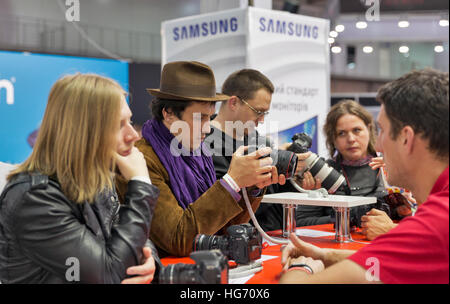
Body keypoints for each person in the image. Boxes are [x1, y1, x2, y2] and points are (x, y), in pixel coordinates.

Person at [280, 68, 449, 284]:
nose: (378, 145)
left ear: (406, 138)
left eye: (383, 131)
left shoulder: (438, 223)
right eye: (342, 133)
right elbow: (388, 261)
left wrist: (301, 266)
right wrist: (324, 255)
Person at [0, 74, 160, 284]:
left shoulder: (95, 180)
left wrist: (149, 259)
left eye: (129, 121)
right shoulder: (35, 199)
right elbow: (111, 276)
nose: (133, 135)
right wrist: (140, 182)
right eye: (119, 125)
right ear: (84, 132)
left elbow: (129, 233)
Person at [115, 61, 285, 257]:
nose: (207, 127)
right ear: (168, 113)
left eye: (209, 117)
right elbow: (177, 238)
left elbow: (221, 229)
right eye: (200, 118)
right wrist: (231, 182)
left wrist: (251, 186)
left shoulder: (199, 154)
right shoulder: (143, 160)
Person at [204, 68, 317, 231]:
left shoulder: (254, 138)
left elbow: (275, 196)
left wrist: (293, 178)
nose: (262, 120)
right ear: (234, 102)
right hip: (239, 239)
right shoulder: (207, 144)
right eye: (258, 111)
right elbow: (228, 206)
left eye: (265, 113)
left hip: (276, 235)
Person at [296, 100, 389, 228]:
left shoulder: (388, 167)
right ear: (332, 139)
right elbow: (301, 223)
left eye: (357, 130)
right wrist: (347, 218)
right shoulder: (323, 172)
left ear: (369, 129)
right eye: (342, 133)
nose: (351, 139)